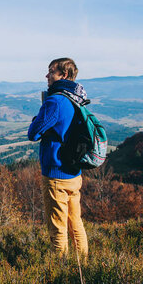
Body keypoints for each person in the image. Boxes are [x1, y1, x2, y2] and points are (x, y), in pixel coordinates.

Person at [28, 57, 89, 258]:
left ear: (63, 75)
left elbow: (33, 133)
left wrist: (37, 119)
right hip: (73, 172)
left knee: (58, 228)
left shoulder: (55, 100)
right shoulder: (76, 97)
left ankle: (61, 271)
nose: (47, 75)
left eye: (51, 71)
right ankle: (84, 265)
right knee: (75, 223)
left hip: (55, 173)